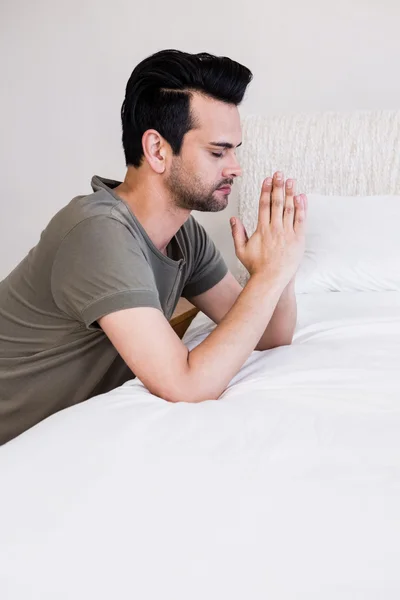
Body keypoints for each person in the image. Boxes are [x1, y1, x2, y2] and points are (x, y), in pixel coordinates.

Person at [0, 49, 307, 445]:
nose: (236, 167)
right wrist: (265, 279)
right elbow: (187, 386)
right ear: (158, 150)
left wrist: (282, 267)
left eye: (235, 149)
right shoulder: (98, 233)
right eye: (218, 151)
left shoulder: (184, 235)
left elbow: (270, 337)